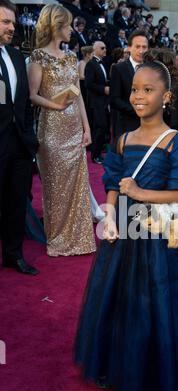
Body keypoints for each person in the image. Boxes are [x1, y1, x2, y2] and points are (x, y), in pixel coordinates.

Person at [75, 49, 178, 391]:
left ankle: (154, 367)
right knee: (118, 298)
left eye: (148, 90)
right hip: (122, 233)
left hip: (157, 237)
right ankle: (114, 362)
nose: (138, 96)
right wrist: (108, 214)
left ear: (166, 97)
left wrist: (141, 192)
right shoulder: (122, 139)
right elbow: (112, 179)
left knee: (156, 298)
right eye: (135, 89)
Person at [27, 4, 96, 257]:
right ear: (56, 26)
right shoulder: (38, 57)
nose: (71, 30)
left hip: (74, 128)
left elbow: (77, 96)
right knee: (56, 186)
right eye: (68, 25)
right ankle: (57, 238)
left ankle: (78, 238)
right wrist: (54, 104)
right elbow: (32, 95)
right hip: (52, 129)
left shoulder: (70, 57)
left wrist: (87, 128)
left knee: (77, 184)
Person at [0, 0, 39, 275]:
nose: (12, 28)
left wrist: (29, 138)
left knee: (16, 202)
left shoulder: (15, 56)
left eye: (12, 22)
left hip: (19, 144)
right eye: (5, 22)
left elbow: (23, 101)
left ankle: (13, 254)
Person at [110, 30, 148, 140]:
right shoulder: (119, 68)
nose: (141, 51)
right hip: (127, 125)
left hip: (148, 125)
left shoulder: (152, 69)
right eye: (137, 47)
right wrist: (136, 110)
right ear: (129, 48)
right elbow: (114, 99)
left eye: (144, 47)